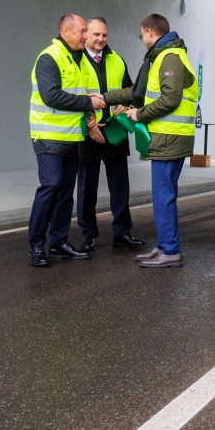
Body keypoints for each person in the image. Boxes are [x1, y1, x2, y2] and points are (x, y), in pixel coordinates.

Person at [104, 14, 197, 268]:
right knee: (162, 195)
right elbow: (140, 92)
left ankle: (170, 250)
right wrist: (105, 97)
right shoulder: (163, 56)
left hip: (170, 137)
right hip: (167, 136)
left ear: (148, 31)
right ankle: (164, 245)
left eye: (141, 34)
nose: (142, 39)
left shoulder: (170, 57)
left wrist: (139, 113)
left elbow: (170, 99)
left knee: (163, 196)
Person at [28, 13, 107, 267]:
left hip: (73, 137)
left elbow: (81, 95)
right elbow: (51, 96)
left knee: (64, 193)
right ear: (65, 30)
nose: (86, 36)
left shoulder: (81, 60)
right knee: (51, 187)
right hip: (48, 136)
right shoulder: (49, 57)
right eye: (82, 31)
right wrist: (87, 102)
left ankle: (59, 241)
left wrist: (91, 114)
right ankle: (37, 245)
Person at [76, 17, 146, 254]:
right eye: (96, 35)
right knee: (87, 188)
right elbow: (72, 96)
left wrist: (124, 105)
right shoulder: (76, 61)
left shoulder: (117, 59)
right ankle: (88, 236)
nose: (101, 39)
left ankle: (122, 233)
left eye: (104, 35)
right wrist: (88, 123)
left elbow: (131, 91)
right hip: (89, 132)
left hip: (115, 130)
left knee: (120, 186)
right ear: (86, 35)